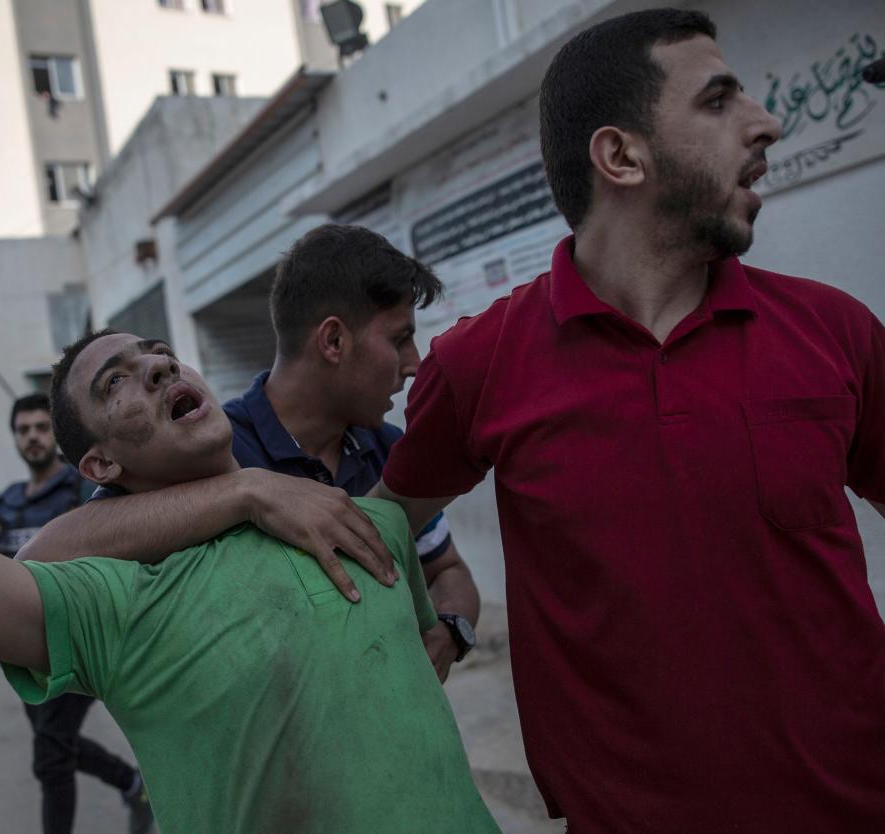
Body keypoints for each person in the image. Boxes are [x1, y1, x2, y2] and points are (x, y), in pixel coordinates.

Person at [0, 54, 500, 834]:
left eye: (157, 354)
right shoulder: (116, 605)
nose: (157, 365)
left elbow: (462, 476)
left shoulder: (360, 518)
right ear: (100, 465)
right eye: (116, 383)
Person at [368, 8, 885, 832]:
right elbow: (386, 531)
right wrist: (439, 630)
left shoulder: (839, 330)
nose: (767, 122)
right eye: (719, 101)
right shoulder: (480, 363)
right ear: (619, 155)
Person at [23, 224, 482, 680]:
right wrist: (249, 490)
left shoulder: (383, 445)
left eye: (161, 351)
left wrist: (450, 630)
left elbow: (447, 568)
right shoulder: (206, 451)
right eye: (400, 338)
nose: (414, 363)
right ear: (334, 341)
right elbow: (45, 558)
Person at [0, 393, 152, 834]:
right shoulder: (5, 504)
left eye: (40, 427)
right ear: (14, 438)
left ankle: (132, 787)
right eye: (23, 430)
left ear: (54, 434)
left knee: (51, 759)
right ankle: (132, 784)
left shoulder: (85, 490)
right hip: (24, 649)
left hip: (79, 642)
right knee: (54, 745)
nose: (32, 437)